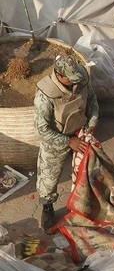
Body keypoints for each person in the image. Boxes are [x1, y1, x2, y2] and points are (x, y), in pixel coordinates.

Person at [34, 54, 99, 231]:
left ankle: (86, 203)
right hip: (56, 138)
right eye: (70, 80)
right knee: (48, 178)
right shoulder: (46, 94)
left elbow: (92, 99)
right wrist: (68, 141)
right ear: (59, 75)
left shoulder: (81, 78)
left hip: (80, 131)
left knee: (89, 170)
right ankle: (47, 208)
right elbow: (42, 129)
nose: (75, 83)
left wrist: (92, 122)